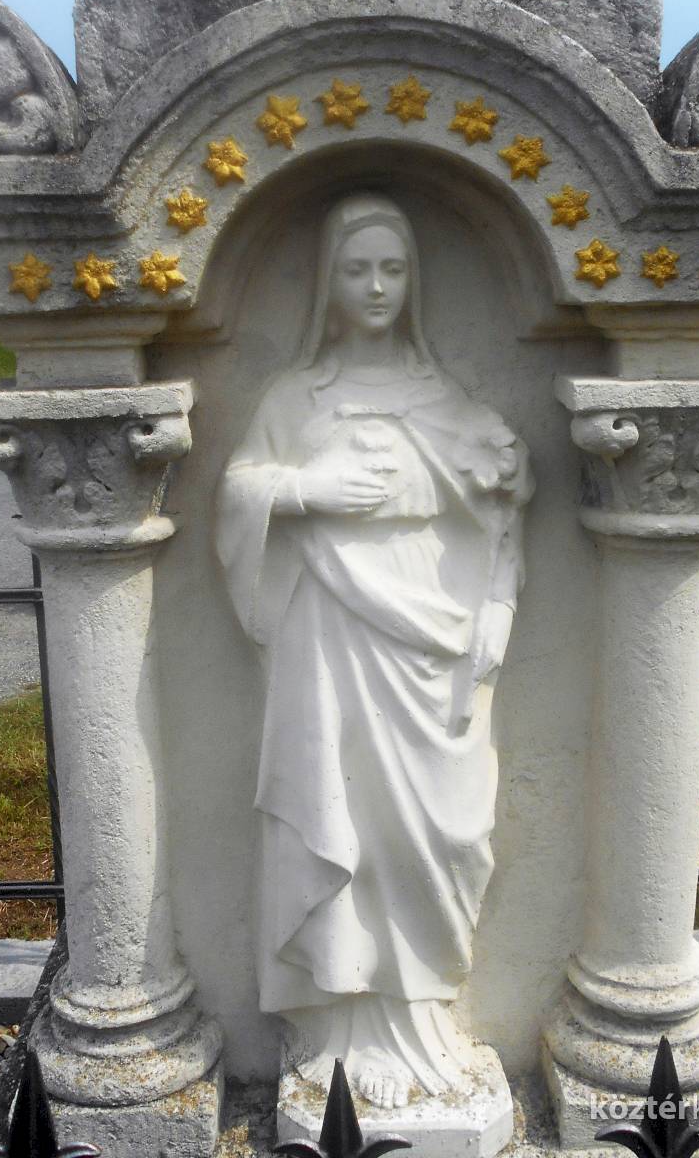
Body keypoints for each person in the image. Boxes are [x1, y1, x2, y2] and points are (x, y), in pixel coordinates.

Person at [217, 192, 532, 1109]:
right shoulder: (296, 398)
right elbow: (238, 492)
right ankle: (339, 1031)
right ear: (329, 281)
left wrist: (499, 605)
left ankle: (425, 1023)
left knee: (442, 828)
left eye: (393, 268)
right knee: (338, 810)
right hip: (330, 636)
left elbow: (502, 513)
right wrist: (303, 488)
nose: (377, 286)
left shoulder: (447, 400)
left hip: (435, 638)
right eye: (357, 269)